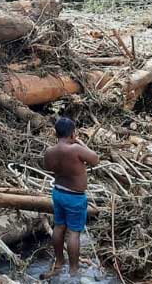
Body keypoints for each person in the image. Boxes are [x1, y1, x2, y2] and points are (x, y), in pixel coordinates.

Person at [43, 117, 99, 277]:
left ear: (56, 133)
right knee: (74, 233)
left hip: (58, 193)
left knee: (59, 227)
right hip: (75, 197)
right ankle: (74, 270)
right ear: (73, 133)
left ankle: (59, 262)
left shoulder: (49, 151)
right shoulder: (75, 149)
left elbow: (47, 167)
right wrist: (81, 143)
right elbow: (95, 159)